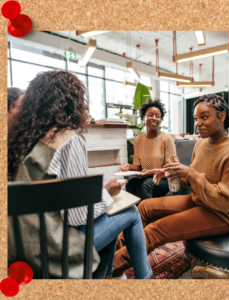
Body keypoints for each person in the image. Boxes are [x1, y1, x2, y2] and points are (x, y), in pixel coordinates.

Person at [8, 70, 152, 280]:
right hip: (55, 254)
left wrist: (100, 194)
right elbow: (76, 216)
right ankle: (146, 279)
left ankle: (103, 279)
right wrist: (107, 196)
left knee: (108, 216)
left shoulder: (19, 141)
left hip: (19, 251)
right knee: (130, 213)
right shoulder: (67, 139)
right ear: (71, 101)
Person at [112, 94, 229, 277]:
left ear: (221, 116)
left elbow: (225, 203)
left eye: (204, 117)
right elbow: (190, 178)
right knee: (143, 207)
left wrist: (190, 173)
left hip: (221, 215)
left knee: (155, 230)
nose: (198, 123)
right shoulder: (200, 145)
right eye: (196, 118)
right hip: (198, 200)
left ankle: (106, 269)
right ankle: (109, 252)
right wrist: (169, 173)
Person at [118, 99, 178, 201]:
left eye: (157, 116)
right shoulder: (138, 140)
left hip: (164, 179)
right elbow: (138, 166)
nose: (154, 118)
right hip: (148, 178)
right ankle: (135, 214)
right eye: (150, 115)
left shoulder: (167, 139)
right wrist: (127, 166)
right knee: (131, 183)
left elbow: (172, 169)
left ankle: (147, 215)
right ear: (143, 117)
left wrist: (150, 172)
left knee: (144, 184)